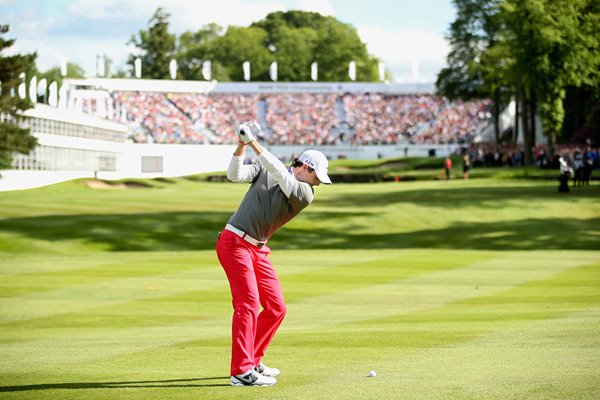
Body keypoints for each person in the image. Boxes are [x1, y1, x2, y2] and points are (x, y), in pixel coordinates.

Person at [216, 120, 331, 386]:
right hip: (234, 242)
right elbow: (235, 175)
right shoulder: (267, 169)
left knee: (276, 308)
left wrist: (254, 142)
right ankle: (241, 372)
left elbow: (280, 173)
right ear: (304, 167)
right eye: (317, 176)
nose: (319, 183)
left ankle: (253, 359)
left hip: (257, 249)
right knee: (247, 304)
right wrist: (241, 145)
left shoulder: (305, 192)